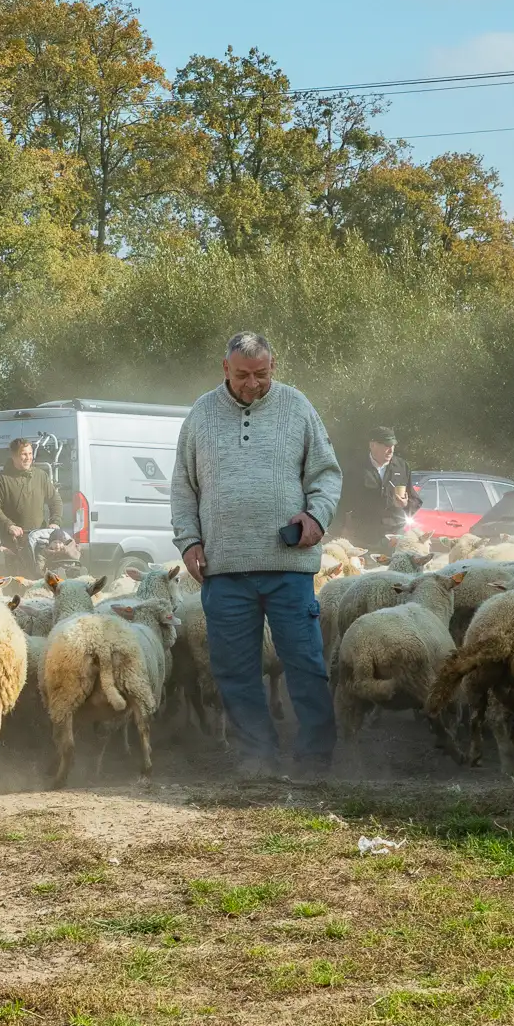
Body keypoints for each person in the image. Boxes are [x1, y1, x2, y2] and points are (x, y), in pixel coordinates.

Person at [170, 331, 343, 779]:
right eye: (243, 375)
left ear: (273, 367)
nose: (253, 383)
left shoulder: (297, 407)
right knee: (234, 668)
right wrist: (189, 541)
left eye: (261, 374)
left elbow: (326, 473)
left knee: (305, 661)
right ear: (225, 368)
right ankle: (257, 755)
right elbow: (183, 487)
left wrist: (317, 516)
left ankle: (315, 757)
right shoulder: (201, 414)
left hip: (289, 565)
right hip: (224, 567)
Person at [336, 427, 420, 549]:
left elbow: (415, 500)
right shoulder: (356, 467)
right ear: (372, 445)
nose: (391, 450)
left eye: (393, 445)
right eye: (386, 445)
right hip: (363, 537)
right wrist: (340, 529)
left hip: (394, 537)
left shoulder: (402, 466)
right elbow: (343, 501)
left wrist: (406, 504)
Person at [0, 437, 59, 575]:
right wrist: (9, 525)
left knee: (40, 579)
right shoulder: (1, 479)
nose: (28, 458)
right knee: (18, 580)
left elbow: (55, 501)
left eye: (30, 453)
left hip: (39, 539)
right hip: (14, 542)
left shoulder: (40, 476)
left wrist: (55, 521)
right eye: (24, 454)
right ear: (14, 456)